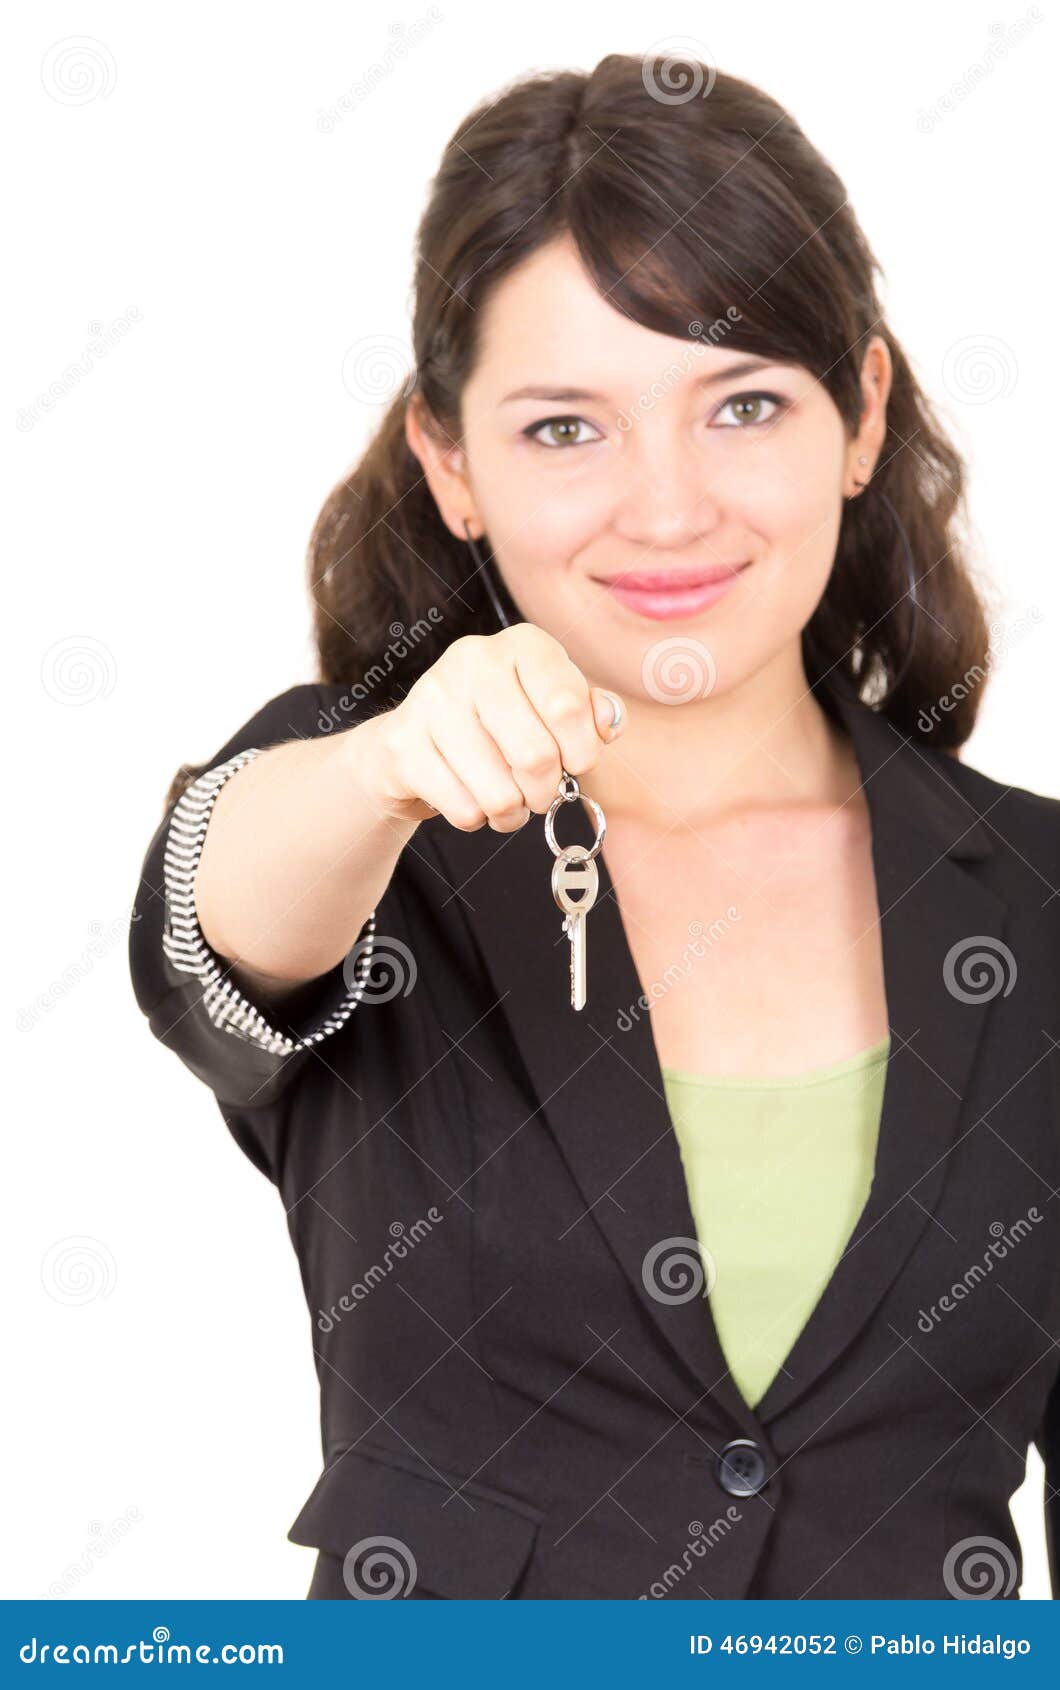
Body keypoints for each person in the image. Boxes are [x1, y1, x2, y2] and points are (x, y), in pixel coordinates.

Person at [129, 53, 1060, 1600]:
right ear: (452, 461)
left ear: (862, 413)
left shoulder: (1035, 899)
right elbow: (217, 922)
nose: (670, 508)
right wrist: (389, 764)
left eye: (743, 403)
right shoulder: (370, 827)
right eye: (567, 428)